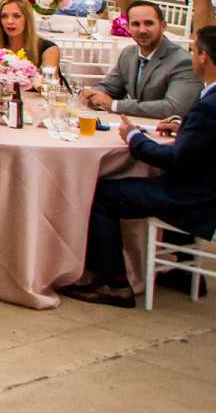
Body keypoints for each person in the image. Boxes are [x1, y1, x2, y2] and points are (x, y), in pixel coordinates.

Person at [61, 26, 216, 307]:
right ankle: (183, 268)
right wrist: (183, 128)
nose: (191, 55)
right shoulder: (209, 99)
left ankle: (115, 283)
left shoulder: (209, 105)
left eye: (194, 50)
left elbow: (174, 160)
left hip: (197, 198)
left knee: (103, 194)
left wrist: (133, 137)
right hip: (204, 187)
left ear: (204, 57)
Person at [79, 2, 201, 119]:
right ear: (128, 28)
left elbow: (174, 108)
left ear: (163, 26)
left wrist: (115, 105)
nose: (142, 30)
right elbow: (110, 87)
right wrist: (93, 94)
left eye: (148, 23)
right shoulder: (129, 53)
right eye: (136, 24)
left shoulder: (184, 62)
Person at [0, 0, 62, 84]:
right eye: (4, 16)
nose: (10, 21)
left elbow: (50, 86)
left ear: (27, 19)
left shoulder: (48, 49)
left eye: (16, 16)